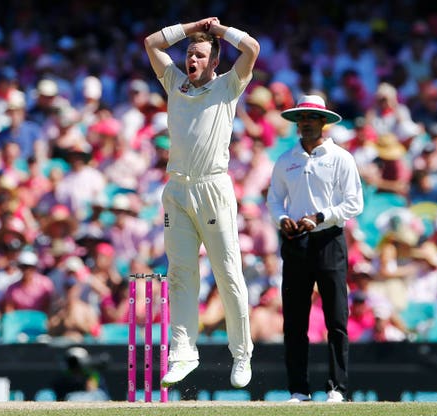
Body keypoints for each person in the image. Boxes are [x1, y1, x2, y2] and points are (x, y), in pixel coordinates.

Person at [144, 17, 260, 389]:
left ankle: (242, 355)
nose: (192, 59)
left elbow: (252, 49)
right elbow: (151, 44)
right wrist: (192, 26)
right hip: (177, 189)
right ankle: (182, 354)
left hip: (213, 189)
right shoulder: (174, 82)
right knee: (179, 274)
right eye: (189, 54)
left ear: (214, 62)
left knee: (227, 274)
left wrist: (219, 31)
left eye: (200, 55)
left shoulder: (229, 85)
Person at [266, 94, 364, 403]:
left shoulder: (340, 158)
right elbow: (273, 198)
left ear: (323, 122)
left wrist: (320, 218)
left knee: (336, 319)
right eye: (302, 118)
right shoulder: (286, 159)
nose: (306, 123)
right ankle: (299, 389)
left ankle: (337, 388)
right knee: (295, 320)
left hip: (329, 240)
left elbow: (354, 203)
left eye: (312, 117)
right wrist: (282, 219)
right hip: (296, 242)